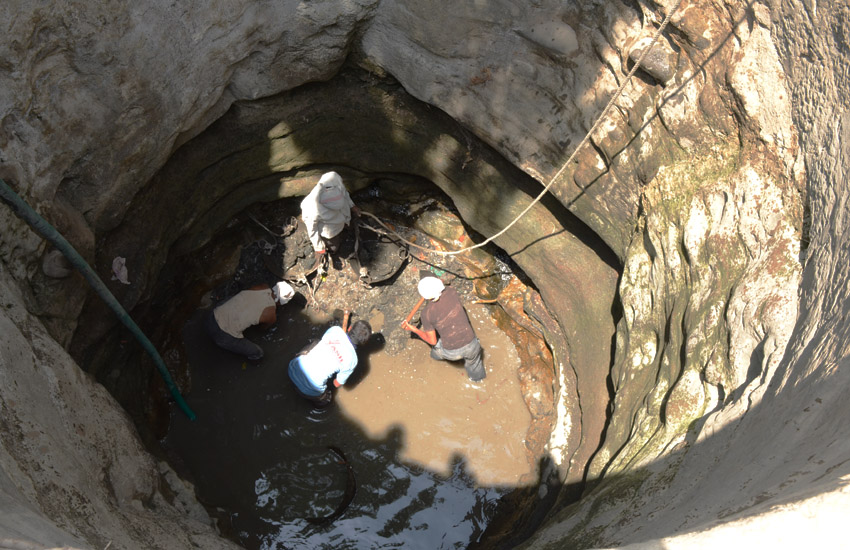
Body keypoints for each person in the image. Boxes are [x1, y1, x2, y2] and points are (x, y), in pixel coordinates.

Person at [401, 276, 486, 382]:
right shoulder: (452, 292)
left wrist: (413, 329)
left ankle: (435, 358)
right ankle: (478, 380)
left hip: (453, 352)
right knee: (475, 365)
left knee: (436, 350)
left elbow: (432, 341)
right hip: (473, 345)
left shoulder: (427, 313)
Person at [288, 311, 372, 407]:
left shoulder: (335, 330)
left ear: (350, 328)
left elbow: (335, 338)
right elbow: (336, 384)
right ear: (362, 344)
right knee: (326, 400)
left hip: (292, 369)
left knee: (317, 342)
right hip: (309, 392)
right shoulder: (352, 361)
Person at [205, 281, 295, 361]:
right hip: (221, 337)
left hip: (212, 316)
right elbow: (262, 329)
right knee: (258, 353)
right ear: (281, 302)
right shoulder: (271, 315)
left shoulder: (263, 286)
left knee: (235, 298)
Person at [300, 171, 361, 258]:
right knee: (334, 248)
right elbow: (312, 229)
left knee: (348, 227)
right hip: (330, 231)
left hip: (343, 218)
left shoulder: (334, 181)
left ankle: (345, 227)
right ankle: (332, 251)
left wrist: (352, 206)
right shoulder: (310, 207)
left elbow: (345, 194)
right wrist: (318, 246)